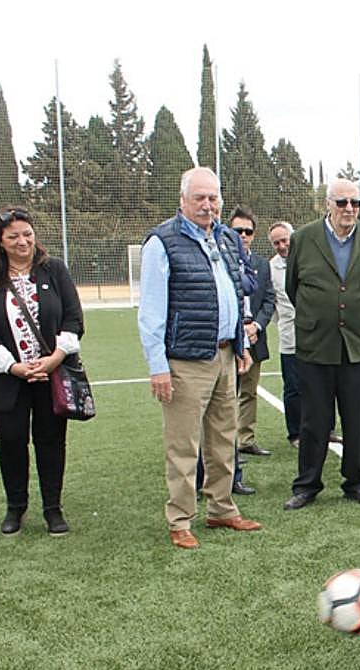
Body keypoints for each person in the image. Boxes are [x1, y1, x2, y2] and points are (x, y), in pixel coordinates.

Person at [138, 167, 260, 548]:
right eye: (199, 198)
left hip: (225, 356)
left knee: (223, 439)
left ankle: (221, 508)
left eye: (213, 197)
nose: (208, 205)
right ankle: (180, 519)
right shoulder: (162, 242)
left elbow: (235, 293)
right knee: (184, 446)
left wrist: (240, 344)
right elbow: (151, 312)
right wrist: (158, 367)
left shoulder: (225, 238)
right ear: (183, 201)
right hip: (186, 361)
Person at [0, 207, 84, 536]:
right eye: (13, 236)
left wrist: (54, 358)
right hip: (7, 379)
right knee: (10, 442)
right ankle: (16, 507)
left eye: (27, 234)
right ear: (0, 241)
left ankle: (53, 509)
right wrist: (14, 367)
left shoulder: (54, 270)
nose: (22, 241)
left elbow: (73, 318)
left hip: (51, 376)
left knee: (51, 442)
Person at [283, 178, 360, 510]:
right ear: (327, 204)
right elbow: (292, 287)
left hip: (358, 344)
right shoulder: (303, 239)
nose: (349, 209)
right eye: (342, 202)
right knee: (314, 420)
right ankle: (307, 485)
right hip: (316, 344)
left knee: (358, 420)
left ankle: (356, 482)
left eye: (355, 203)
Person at [231, 207, 276, 460]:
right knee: (226, 394)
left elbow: (269, 300)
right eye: (238, 231)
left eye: (248, 231)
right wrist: (238, 329)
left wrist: (256, 326)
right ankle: (225, 445)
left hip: (255, 336)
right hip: (230, 338)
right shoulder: (222, 260)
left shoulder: (261, 264)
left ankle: (245, 440)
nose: (243, 235)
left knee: (249, 391)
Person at [267, 221, 300, 446]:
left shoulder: (309, 258)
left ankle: (324, 429)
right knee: (293, 388)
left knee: (321, 387)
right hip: (290, 338)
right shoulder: (271, 268)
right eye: (276, 243)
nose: (281, 246)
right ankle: (295, 433)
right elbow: (272, 306)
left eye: (284, 240)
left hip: (317, 337)